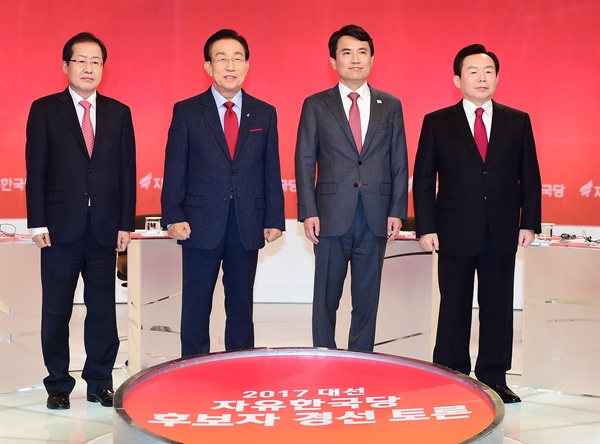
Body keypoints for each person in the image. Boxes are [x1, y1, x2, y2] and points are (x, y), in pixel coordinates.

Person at [413, 44, 542, 403]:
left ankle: (494, 376)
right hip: (453, 228)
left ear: (497, 78)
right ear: (457, 79)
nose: (481, 77)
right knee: (453, 304)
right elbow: (423, 179)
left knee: (498, 306)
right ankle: (451, 373)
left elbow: (529, 175)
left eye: (488, 71)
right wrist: (426, 227)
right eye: (473, 71)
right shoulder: (437, 121)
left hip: (501, 228)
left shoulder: (518, 120)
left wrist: (529, 221)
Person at [25, 32, 136, 410]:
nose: (89, 68)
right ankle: (57, 383)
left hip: (105, 228)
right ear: (65, 66)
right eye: (81, 60)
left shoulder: (119, 112)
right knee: (56, 309)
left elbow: (126, 171)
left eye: (96, 61)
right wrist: (37, 223)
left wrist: (125, 223)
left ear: (103, 68)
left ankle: (100, 381)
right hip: (58, 229)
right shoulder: (44, 109)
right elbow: (35, 170)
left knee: (103, 309)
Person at [161, 29, 285, 358]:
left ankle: (240, 372)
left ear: (247, 65)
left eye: (237, 58)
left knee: (241, 308)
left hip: (247, 223)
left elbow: (270, 168)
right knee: (196, 306)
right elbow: (175, 165)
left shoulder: (264, 112)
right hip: (200, 222)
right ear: (207, 66)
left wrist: (274, 216)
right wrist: (173, 215)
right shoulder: (187, 111)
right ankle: (191, 370)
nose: (230, 65)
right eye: (221, 58)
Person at [295, 24, 408, 352]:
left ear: (372, 58)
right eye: (346, 52)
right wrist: (308, 212)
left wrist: (397, 211)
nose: (355, 59)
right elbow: (304, 160)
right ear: (333, 61)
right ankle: (323, 355)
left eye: (362, 52)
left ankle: (361, 361)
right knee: (326, 297)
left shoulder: (391, 105)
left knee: (367, 298)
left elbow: (398, 160)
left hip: (375, 216)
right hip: (330, 217)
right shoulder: (316, 105)